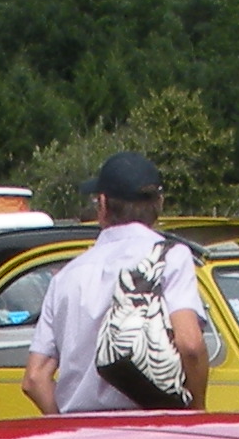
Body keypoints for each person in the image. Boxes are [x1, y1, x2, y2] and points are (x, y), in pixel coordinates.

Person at [25, 150, 211, 417]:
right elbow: (190, 345)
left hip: (82, 435)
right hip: (153, 428)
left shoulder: (66, 276)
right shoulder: (170, 257)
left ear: (102, 204)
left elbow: (34, 378)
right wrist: (197, 409)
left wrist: (64, 423)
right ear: (159, 203)